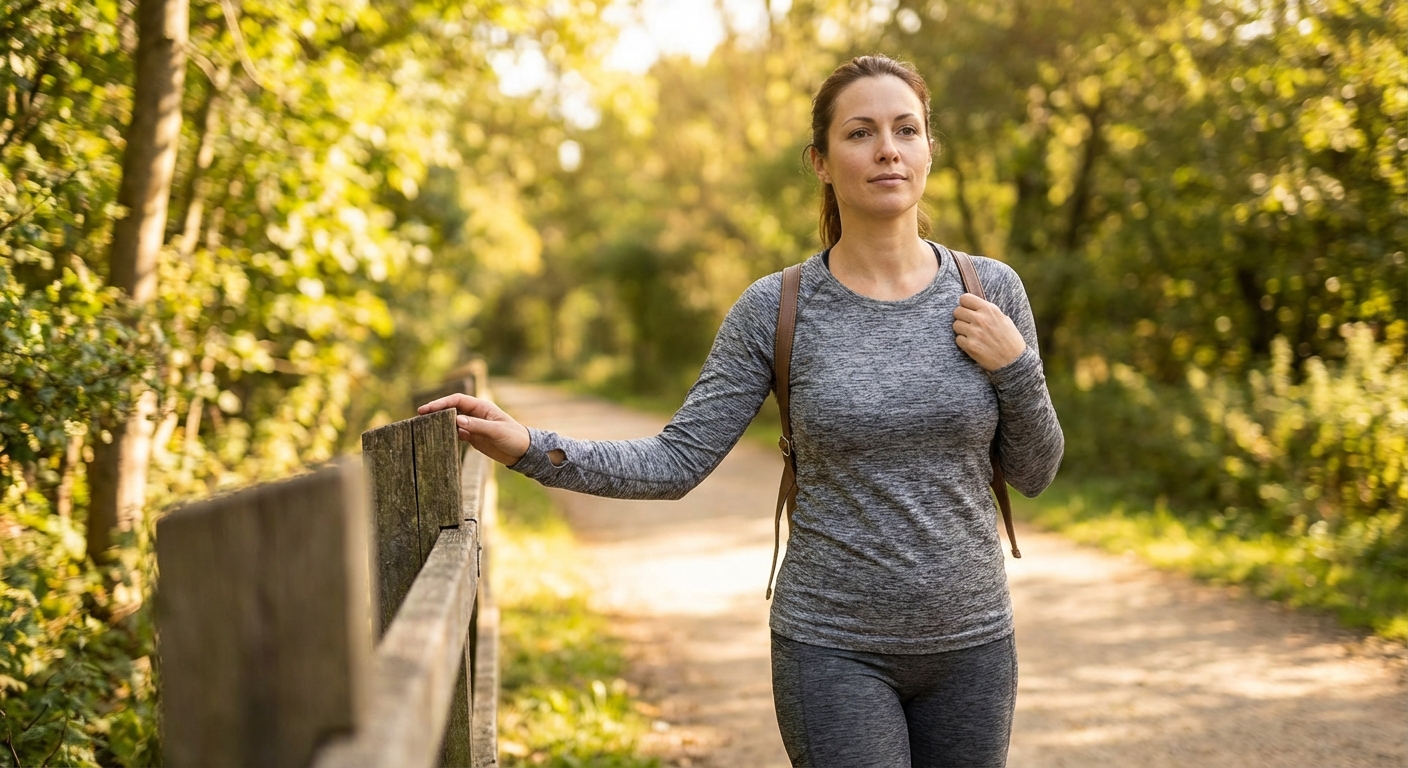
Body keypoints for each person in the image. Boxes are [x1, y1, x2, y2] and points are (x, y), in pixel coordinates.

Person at [421, 54, 1063, 768]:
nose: (887, 148)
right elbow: (676, 463)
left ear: (928, 150)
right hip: (832, 647)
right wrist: (529, 447)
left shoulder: (991, 290)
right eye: (861, 132)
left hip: (974, 643)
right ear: (820, 160)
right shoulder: (776, 308)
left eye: (906, 129)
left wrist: (1017, 369)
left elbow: (1035, 473)